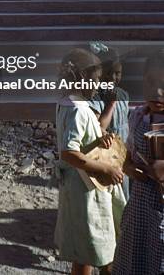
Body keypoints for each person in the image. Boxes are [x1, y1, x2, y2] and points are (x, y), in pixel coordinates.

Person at [55, 48, 126, 275]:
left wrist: (99, 139)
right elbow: (69, 152)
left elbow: (83, 137)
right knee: (92, 247)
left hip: (78, 186)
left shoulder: (66, 104)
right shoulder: (77, 110)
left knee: (85, 251)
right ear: (81, 79)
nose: (99, 84)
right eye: (96, 79)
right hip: (86, 190)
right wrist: (106, 167)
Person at [112, 50, 164, 275]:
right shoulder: (137, 116)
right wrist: (129, 168)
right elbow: (127, 157)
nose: (158, 92)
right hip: (139, 211)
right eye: (151, 82)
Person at [87, 42, 130, 199]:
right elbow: (99, 127)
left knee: (123, 191)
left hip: (122, 151)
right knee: (107, 192)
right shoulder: (95, 98)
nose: (112, 78)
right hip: (104, 153)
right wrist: (111, 104)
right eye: (108, 73)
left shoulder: (124, 95)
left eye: (117, 73)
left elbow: (126, 123)